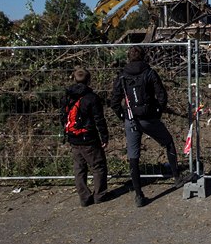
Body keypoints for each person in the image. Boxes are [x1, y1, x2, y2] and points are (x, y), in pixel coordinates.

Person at [110, 46, 186, 207]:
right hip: (149, 117)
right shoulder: (150, 73)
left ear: (128, 58)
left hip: (131, 119)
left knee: (133, 156)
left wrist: (123, 115)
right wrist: (157, 112)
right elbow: (161, 95)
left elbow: (114, 101)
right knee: (168, 142)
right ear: (144, 57)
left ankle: (138, 194)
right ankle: (176, 177)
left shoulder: (122, 76)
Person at [61, 68, 109, 207]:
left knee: (79, 168)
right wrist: (104, 137)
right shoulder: (91, 98)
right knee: (98, 166)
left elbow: (62, 117)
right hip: (89, 137)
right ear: (88, 80)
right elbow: (99, 119)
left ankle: (84, 197)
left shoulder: (67, 96)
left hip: (73, 138)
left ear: (74, 79)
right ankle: (100, 195)